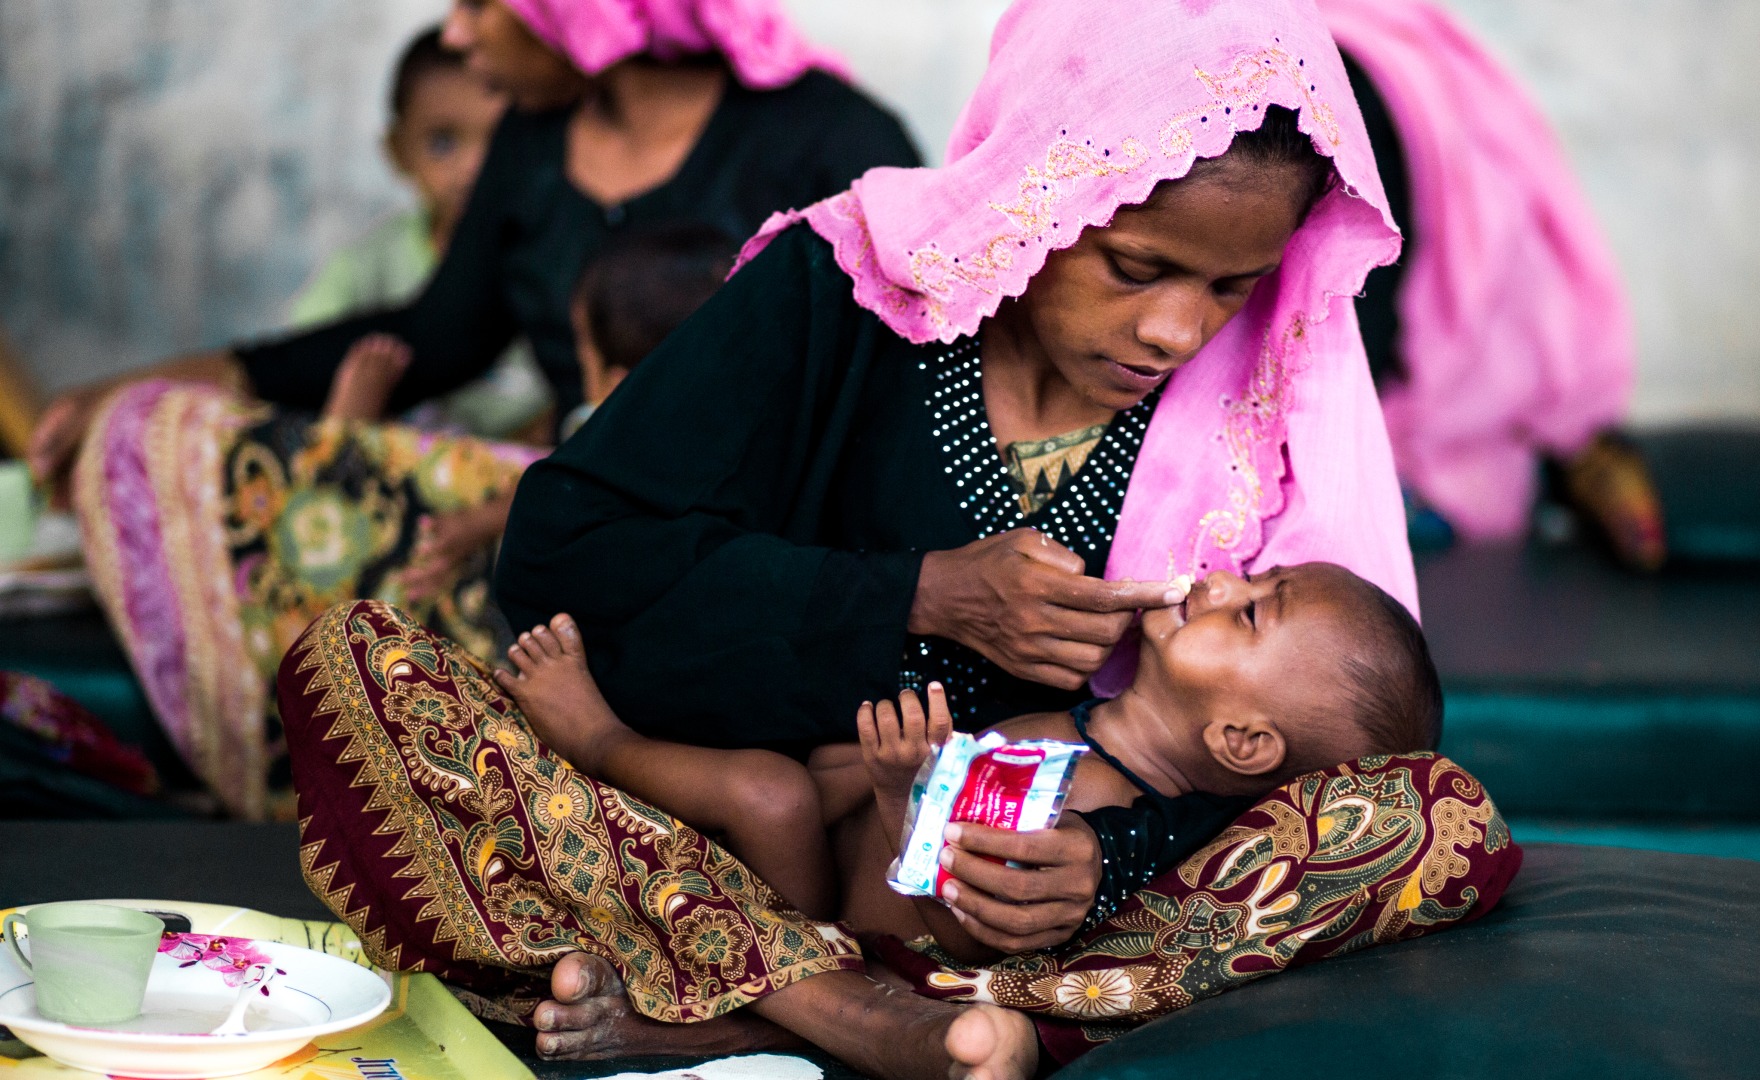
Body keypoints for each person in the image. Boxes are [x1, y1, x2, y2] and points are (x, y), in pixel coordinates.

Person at [281, 2, 1520, 1076]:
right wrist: (916, 597)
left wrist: (1110, 853)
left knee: (1429, 817)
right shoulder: (845, 287)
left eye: (1231, 287)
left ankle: (750, 1001)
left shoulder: (1271, 385)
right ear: (1042, 186)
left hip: (1058, 926)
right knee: (357, 669)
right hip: (715, 834)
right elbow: (563, 557)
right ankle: (839, 1007)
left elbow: (1330, 742)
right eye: (1138, 265)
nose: (1177, 332)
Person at [43, 0, 920, 819]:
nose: (459, 36)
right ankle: (410, 792)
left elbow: (893, 391)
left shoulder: (832, 137)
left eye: (480, 4)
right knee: (174, 432)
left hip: (746, 555)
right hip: (560, 527)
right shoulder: (535, 140)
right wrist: (171, 384)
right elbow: (439, 333)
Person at [493, 562, 1442, 942]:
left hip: (837, 936)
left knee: (769, 792)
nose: (1224, 579)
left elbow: (903, 935)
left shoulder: (1081, 811)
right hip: (816, 861)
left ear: (1241, 740)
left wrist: (902, 800)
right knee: (806, 769)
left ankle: (596, 737)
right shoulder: (1077, 722)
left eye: (1250, 612)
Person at [1322, 0, 1664, 568]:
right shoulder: (1417, 47)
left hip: (1387, 441)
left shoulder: (1324, 67)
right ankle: (1574, 455)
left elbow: (1354, 324)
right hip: (1491, 436)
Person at [322, 224, 736, 602]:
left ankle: (342, 445)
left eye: (583, 349)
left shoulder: (609, 450)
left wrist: (475, 522)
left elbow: (559, 488)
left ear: (619, 385)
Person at [290, 26, 551, 441]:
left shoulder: (554, 263)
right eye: (443, 142)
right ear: (398, 151)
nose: (476, 166)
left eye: (502, 140)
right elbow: (301, 377)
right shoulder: (362, 270)